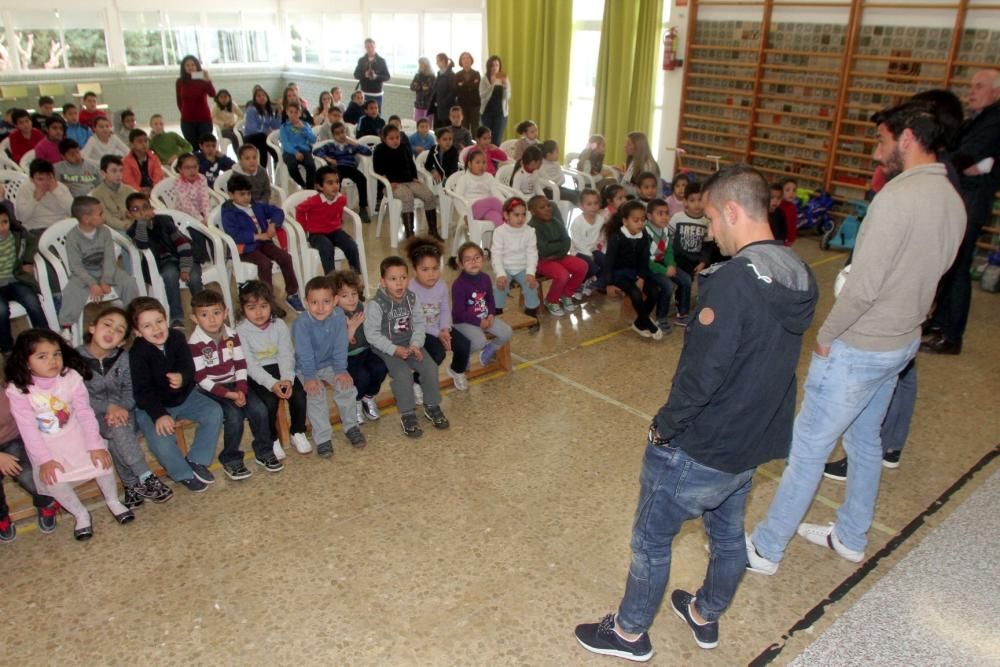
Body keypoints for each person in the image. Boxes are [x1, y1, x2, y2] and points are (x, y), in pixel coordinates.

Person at [574, 164, 818, 661]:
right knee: (728, 535)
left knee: (650, 540)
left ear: (732, 210)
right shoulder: (797, 274)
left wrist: (664, 430)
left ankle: (628, 632)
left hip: (701, 445)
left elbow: (702, 376)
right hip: (752, 442)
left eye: (710, 219)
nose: (709, 232)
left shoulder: (731, 283)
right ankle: (705, 614)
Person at [746, 99, 965, 577]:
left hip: (859, 347)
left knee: (808, 448)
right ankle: (850, 535)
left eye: (882, 140)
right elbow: (939, 274)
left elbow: (864, 285)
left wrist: (827, 335)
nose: (875, 151)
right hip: (900, 343)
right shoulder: (952, 197)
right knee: (865, 440)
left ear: (908, 138)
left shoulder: (897, 198)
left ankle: (766, 547)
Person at [4, 329, 138, 540]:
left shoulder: (70, 377)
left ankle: (113, 501)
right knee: (53, 478)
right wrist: (44, 460)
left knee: (102, 462)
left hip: (77, 435)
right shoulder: (18, 390)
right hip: (48, 446)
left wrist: (94, 444)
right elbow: (28, 429)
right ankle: (80, 513)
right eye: (42, 356)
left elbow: (85, 413)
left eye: (56, 353)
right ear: (26, 362)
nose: (53, 361)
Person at [923, 68, 1000, 355]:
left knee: (958, 266)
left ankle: (952, 335)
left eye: (979, 86)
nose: (972, 91)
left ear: (996, 91)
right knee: (948, 263)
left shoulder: (995, 119)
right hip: (964, 192)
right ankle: (940, 321)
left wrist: (971, 165)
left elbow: (967, 156)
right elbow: (957, 149)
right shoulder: (976, 119)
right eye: (971, 86)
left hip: (973, 199)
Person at [78, 306, 173, 508]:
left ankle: (131, 486)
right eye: (107, 325)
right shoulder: (75, 359)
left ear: (122, 341)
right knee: (116, 430)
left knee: (118, 430)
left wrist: (120, 408)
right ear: (92, 327)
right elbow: (78, 399)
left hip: (125, 414)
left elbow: (132, 391)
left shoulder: (123, 358)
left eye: (120, 330)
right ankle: (145, 476)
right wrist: (108, 407)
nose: (112, 332)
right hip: (91, 418)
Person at [128, 297, 222, 492]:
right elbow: (142, 392)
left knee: (213, 411)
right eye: (147, 325)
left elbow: (189, 367)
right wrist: (159, 415)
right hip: (152, 406)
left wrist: (183, 376)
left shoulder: (177, 338)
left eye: (159, 321)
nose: (156, 329)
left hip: (184, 397)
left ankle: (197, 459)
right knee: (160, 440)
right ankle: (182, 473)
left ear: (166, 319)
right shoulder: (137, 354)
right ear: (137, 332)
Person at [188, 289, 277, 478]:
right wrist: (229, 395)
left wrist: (241, 389)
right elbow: (201, 379)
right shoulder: (195, 344)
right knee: (234, 416)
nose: (212, 319)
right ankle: (231, 459)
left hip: (235, 384)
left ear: (225, 313)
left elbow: (240, 363)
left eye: (216, 313)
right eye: (204, 315)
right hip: (211, 389)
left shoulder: (231, 335)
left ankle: (264, 451)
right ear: (194, 318)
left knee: (259, 409)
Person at [363, 257, 449, 438]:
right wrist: (394, 349)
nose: (399, 283)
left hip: (410, 343)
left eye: (403, 278)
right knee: (402, 375)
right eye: (393, 279)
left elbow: (419, 323)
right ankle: (408, 414)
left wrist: (416, 344)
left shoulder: (412, 298)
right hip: (386, 347)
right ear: (383, 282)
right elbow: (372, 335)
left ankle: (432, 405)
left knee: (430, 367)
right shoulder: (376, 304)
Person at [236, 281, 310, 460]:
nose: (259, 312)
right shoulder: (241, 331)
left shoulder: (279, 325)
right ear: (243, 309)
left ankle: (297, 431)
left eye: (263, 306)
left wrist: (287, 379)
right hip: (257, 373)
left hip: (280, 367)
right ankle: (272, 438)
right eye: (252, 308)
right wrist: (272, 384)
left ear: (271, 305)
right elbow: (250, 365)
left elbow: (286, 355)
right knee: (269, 401)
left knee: (298, 395)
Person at [292, 275, 366, 454]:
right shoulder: (301, 323)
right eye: (314, 302)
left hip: (330, 364)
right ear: (305, 302)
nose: (320, 307)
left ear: (335, 301)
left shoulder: (338, 315)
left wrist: (341, 369)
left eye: (326, 301)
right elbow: (304, 353)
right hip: (305, 367)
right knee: (316, 393)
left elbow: (341, 344)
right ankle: (323, 438)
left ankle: (351, 427)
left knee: (346, 386)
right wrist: (309, 377)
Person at [57, 196, 141, 334]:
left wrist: (105, 280)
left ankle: (132, 319)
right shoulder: (73, 237)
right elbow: (76, 266)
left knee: (129, 283)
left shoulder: (105, 232)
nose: (104, 216)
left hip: (106, 270)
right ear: (86, 219)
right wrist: (92, 284)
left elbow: (109, 259)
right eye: (100, 214)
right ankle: (67, 327)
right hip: (83, 274)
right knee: (70, 292)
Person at [222, 174, 304, 312]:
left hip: (264, 242)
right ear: (231, 195)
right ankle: (268, 300)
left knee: (285, 257)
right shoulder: (229, 212)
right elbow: (234, 235)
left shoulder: (256, 205)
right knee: (265, 263)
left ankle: (292, 294)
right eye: (242, 194)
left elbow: (278, 211)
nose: (246, 197)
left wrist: (273, 224)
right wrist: (257, 236)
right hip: (243, 248)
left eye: (248, 193)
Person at [125, 191, 204, 328]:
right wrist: (142, 223)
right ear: (130, 214)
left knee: (194, 276)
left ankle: (202, 310)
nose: (142, 212)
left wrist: (185, 267)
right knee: (170, 274)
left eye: (145, 207)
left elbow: (182, 244)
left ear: (151, 209)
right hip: (163, 263)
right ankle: (176, 316)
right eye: (136, 210)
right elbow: (142, 243)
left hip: (183, 256)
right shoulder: (134, 230)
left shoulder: (164, 221)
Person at [403, 236, 471, 392]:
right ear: (414, 270)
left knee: (463, 345)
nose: (431, 274)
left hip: (440, 327)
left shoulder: (441, 286)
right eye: (425, 270)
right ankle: (416, 382)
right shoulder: (411, 290)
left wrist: (446, 328)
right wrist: (438, 333)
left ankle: (456, 370)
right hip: (420, 331)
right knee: (437, 354)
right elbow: (415, 321)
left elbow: (446, 309)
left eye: (435, 268)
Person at [0, 385, 60, 542]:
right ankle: (2, 518)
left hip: (12, 438)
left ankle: (45, 502)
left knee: (28, 474)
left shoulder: (8, 389)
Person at [602, 200, 663, 339]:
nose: (641, 223)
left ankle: (640, 323)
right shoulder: (616, 237)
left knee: (654, 291)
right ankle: (648, 322)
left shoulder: (644, 235)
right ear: (625, 221)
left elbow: (644, 258)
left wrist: (641, 277)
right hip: (619, 274)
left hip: (636, 272)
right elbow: (609, 262)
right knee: (635, 293)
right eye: (636, 220)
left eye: (643, 220)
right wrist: (609, 283)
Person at [333, 270, 386, 422]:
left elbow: (372, 332)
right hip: (346, 357)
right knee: (362, 377)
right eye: (344, 296)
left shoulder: (362, 307)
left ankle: (368, 397)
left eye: (354, 294)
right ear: (335, 298)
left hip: (365, 350)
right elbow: (339, 348)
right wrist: (351, 329)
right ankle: (355, 401)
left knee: (381, 367)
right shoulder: (334, 317)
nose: (351, 299)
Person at [451, 241, 513, 368]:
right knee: (479, 341)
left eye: (477, 258)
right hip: (463, 322)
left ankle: (490, 349)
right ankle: (463, 356)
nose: (473, 262)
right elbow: (459, 313)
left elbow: (490, 299)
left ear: (483, 259)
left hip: (484, 317)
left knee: (507, 332)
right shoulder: (459, 285)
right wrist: (479, 322)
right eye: (468, 260)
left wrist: (490, 315)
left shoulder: (485, 278)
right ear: (461, 264)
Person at [373, 125, 441, 239]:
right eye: (391, 138)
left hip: (409, 181)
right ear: (384, 139)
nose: (395, 141)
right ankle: (410, 234)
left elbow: (411, 164)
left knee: (429, 195)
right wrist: (388, 183)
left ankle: (433, 230)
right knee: (407, 196)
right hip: (392, 185)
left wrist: (414, 177)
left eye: (397, 137)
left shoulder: (403, 147)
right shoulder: (380, 149)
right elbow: (378, 170)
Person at [294, 166, 361, 276]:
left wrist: (338, 222)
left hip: (334, 231)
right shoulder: (313, 201)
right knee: (327, 247)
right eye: (330, 183)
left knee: (351, 246)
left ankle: (356, 277)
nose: (335, 186)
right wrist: (303, 229)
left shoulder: (341, 199)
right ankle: (331, 279)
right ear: (319, 186)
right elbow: (299, 210)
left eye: (337, 182)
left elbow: (339, 213)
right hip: (317, 234)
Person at [528, 195, 588, 317]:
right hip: (540, 261)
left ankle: (566, 294)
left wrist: (556, 251)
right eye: (542, 207)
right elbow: (543, 250)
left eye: (548, 205)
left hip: (557, 257)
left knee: (582, 266)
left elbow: (566, 241)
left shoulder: (555, 221)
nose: (547, 209)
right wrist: (558, 247)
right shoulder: (533, 226)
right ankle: (551, 300)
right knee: (562, 275)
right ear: (533, 211)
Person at [0, 208, 49, 354]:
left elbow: (33, 242)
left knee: (32, 301)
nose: (2, 227)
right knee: (1, 310)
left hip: (16, 279)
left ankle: (45, 339)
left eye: (5, 222)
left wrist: (27, 261)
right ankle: (7, 348)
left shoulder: (17, 235)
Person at [491, 197, 541, 329]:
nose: (521, 218)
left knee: (531, 286)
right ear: (506, 215)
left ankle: (531, 313)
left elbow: (532, 254)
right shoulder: (499, 232)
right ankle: (497, 313)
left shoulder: (530, 231)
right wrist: (501, 274)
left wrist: (530, 273)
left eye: (523, 214)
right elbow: (496, 255)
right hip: (505, 267)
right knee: (499, 287)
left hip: (523, 267)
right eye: (516, 215)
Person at [313, 122, 372, 222]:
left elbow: (368, 152)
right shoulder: (330, 145)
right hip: (337, 168)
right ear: (333, 135)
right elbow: (316, 151)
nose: (341, 135)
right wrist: (328, 159)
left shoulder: (350, 145)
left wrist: (354, 143)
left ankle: (363, 208)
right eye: (337, 133)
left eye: (342, 132)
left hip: (350, 168)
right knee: (336, 184)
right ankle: (336, 209)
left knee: (362, 179)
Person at [668, 182, 709, 327]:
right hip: (677, 259)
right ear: (685, 202)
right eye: (692, 200)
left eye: (700, 200)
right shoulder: (677, 218)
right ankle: (683, 313)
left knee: (687, 284)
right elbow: (668, 239)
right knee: (685, 282)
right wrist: (670, 260)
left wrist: (703, 262)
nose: (697, 204)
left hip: (695, 261)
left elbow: (707, 245)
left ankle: (682, 307)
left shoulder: (706, 221)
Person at [450, 148, 507, 230]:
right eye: (478, 162)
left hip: (488, 210)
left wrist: (506, 202)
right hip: (472, 211)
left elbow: (496, 193)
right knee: (493, 201)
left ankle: (499, 241)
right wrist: (464, 215)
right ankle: (509, 213)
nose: (481, 165)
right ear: (469, 164)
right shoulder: (464, 179)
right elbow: (457, 199)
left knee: (499, 219)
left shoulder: (489, 177)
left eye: (484, 162)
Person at [645, 198, 678, 333]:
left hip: (663, 263)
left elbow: (669, 251)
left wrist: (671, 265)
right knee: (668, 285)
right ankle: (661, 317)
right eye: (660, 213)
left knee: (686, 280)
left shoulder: (666, 230)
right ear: (649, 216)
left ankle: (683, 311)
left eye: (666, 213)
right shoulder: (645, 232)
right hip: (649, 266)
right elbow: (645, 260)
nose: (665, 217)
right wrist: (664, 271)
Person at [16, 159, 73, 233]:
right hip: (37, 228)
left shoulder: (60, 187)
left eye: (49, 178)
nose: (46, 183)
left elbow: (73, 211)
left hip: (62, 226)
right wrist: (35, 199)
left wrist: (57, 192)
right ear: (32, 180)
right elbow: (21, 218)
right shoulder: (25, 189)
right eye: (40, 179)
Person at [568, 188, 605, 297]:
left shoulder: (600, 219)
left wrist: (598, 251)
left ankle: (592, 283)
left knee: (605, 263)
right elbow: (577, 242)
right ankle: (578, 284)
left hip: (592, 249)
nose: (593, 206)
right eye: (589, 204)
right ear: (581, 206)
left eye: (596, 203)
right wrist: (588, 255)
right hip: (578, 251)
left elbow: (601, 237)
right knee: (592, 266)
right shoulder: (578, 222)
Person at [175, 55, 217, 146]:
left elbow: (213, 94)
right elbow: (179, 101)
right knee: (191, 146)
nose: (190, 67)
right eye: (187, 65)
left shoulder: (202, 79)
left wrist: (207, 81)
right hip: (187, 121)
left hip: (204, 119)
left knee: (206, 145)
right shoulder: (180, 81)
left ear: (197, 66)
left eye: (193, 65)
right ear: (184, 67)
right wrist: (184, 113)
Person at [91, 155, 137, 232]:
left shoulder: (128, 189)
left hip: (134, 225)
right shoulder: (97, 194)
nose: (118, 174)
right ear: (103, 173)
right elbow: (106, 217)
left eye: (121, 171)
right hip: (115, 230)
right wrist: (125, 225)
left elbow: (138, 206)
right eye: (114, 171)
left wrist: (133, 211)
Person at [243, 86, 282, 171]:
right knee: (264, 138)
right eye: (258, 96)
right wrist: (266, 131)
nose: (262, 97)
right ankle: (277, 158)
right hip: (250, 137)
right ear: (255, 99)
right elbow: (252, 128)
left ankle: (263, 170)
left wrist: (279, 111)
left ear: (267, 97)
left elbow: (276, 126)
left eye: (263, 95)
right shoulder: (251, 110)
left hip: (262, 139)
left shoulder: (268, 110)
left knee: (263, 146)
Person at [280, 102, 317, 190]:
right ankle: (303, 184)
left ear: (300, 113)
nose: (293, 115)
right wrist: (295, 152)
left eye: (296, 112)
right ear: (287, 113)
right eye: (291, 112)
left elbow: (313, 139)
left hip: (304, 150)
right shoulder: (284, 127)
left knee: (311, 165)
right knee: (292, 166)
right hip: (289, 151)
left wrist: (303, 128)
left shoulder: (305, 125)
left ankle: (310, 187)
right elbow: (285, 143)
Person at [170, 153, 213, 224]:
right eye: (187, 168)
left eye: (195, 167)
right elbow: (186, 204)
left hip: (200, 211)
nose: (192, 171)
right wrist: (200, 219)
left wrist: (207, 217)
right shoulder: (178, 183)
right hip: (184, 214)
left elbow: (205, 198)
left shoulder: (202, 178)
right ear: (180, 169)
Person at [122, 129, 165, 194]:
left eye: (146, 141)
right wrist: (140, 190)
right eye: (140, 141)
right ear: (131, 145)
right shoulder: (125, 161)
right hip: (136, 194)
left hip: (154, 191)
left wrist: (154, 189)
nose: (144, 144)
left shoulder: (154, 158)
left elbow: (158, 176)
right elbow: (128, 182)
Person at [480, 55, 511, 143]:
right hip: (486, 113)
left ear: (499, 66)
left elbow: (507, 97)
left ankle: (495, 156)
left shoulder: (504, 78)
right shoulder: (484, 79)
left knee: (496, 140)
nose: (494, 68)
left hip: (500, 114)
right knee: (486, 139)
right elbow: (482, 95)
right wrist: (492, 85)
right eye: (492, 65)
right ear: (488, 66)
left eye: (497, 65)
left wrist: (505, 86)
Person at [354, 38, 391, 112]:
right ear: (365, 47)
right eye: (368, 47)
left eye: (372, 47)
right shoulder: (361, 60)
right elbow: (356, 75)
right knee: (363, 114)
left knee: (377, 114)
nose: (370, 49)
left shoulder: (381, 61)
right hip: (364, 93)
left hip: (377, 93)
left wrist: (376, 76)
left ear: (375, 47)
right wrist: (365, 75)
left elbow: (387, 77)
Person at [454, 52, 482, 133]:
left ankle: (476, 145)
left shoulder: (476, 74)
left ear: (471, 60)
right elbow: (456, 90)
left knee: (475, 128)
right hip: (462, 105)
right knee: (464, 128)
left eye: (468, 58)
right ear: (461, 61)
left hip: (475, 105)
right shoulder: (457, 75)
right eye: (463, 58)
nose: (466, 60)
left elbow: (476, 88)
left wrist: (463, 85)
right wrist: (470, 84)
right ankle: (466, 145)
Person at [411, 58, 436, 122]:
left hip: (428, 104)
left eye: (422, 64)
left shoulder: (432, 76)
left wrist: (418, 86)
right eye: (420, 64)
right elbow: (412, 87)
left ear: (427, 66)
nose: (420, 66)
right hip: (419, 104)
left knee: (427, 123)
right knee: (417, 122)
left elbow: (430, 89)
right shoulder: (417, 75)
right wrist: (421, 88)